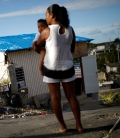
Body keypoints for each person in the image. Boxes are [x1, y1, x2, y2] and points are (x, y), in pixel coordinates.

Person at [32, 4, 83, 133]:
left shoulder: (46, 31)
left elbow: (38, 49)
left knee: (55, 98)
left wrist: (37, 47)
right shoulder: (71, 29)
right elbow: (71, 49)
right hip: (68, 68)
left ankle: (63, 126)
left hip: (51, 69)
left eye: (46, 15)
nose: (46, 18)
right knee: (71, 96)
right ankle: (79, 126)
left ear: (52, 15)